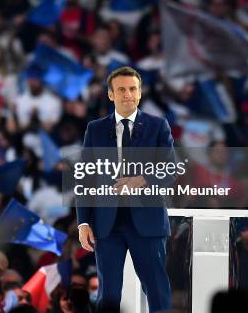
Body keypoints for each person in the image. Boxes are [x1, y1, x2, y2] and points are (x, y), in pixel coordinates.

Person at [76, 66, 175, 312]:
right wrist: (83, 222)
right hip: (107, 224)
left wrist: (140, 180)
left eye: (132, 89)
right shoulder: (95, 129)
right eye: (121, 89)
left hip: (147, 222)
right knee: (108, 293)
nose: (127, 94)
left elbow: (170, 169)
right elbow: (85, 177)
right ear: (111, 95)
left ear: (140, 93)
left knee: (156, 289)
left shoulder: (157, 126)